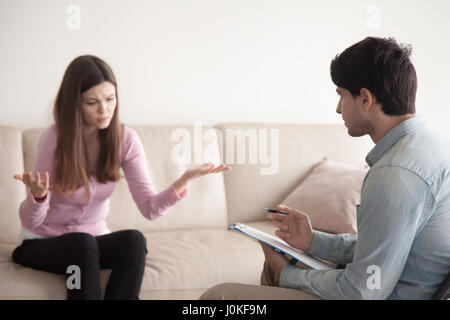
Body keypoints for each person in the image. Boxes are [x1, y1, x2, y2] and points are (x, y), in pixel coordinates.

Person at [200, 37, 450, 300]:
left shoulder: (395, 174)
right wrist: (313, 242)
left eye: (341, 95)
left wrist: (287, 274)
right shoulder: (435, 147)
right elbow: (381, 247)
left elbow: (361, 291)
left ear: (365, 98)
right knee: (277, 267)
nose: (338, 108)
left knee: (220, 296)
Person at [12, 55, 230, 300]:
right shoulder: (54, 139)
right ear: (75, 104)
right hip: (41, 242)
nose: (104, 109)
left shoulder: (125, 140)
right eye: (92, 102)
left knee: (133, 241)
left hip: (90, 244)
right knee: (82, 244)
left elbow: (150, 208)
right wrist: (39, 196)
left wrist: (183, 181)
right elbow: (31, 218)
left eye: (110, 99)